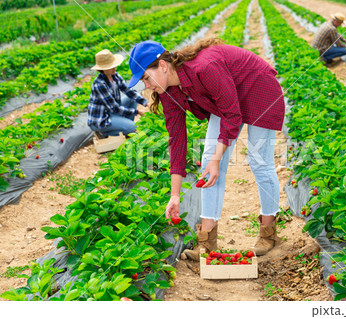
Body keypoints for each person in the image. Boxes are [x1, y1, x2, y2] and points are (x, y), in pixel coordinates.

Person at [127, 39, 286, 260]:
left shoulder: (205, 68)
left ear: (162, 66)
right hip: (230, 100)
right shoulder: (168, 90)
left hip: (259, 91)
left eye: (145, 77)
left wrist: (217, 158)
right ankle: (207, 240)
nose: (146, 86)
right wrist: (174, 196)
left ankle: (268, 233)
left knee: (260, 161)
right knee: (209, 162)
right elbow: (177, 138)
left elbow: (232, 114)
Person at [88, 49, 150, 138]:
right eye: (111, 67)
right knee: (133, 127)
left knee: (131, 98)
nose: (114, 68)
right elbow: (115, 108)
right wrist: (137, 112)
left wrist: (146, 102)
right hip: (101, 118)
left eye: (114, 65)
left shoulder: (115, 76)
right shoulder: (99, 84)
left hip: (112, 111)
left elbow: (128, 91)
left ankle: (126, 128)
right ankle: (104, 133)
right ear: (103, 69)